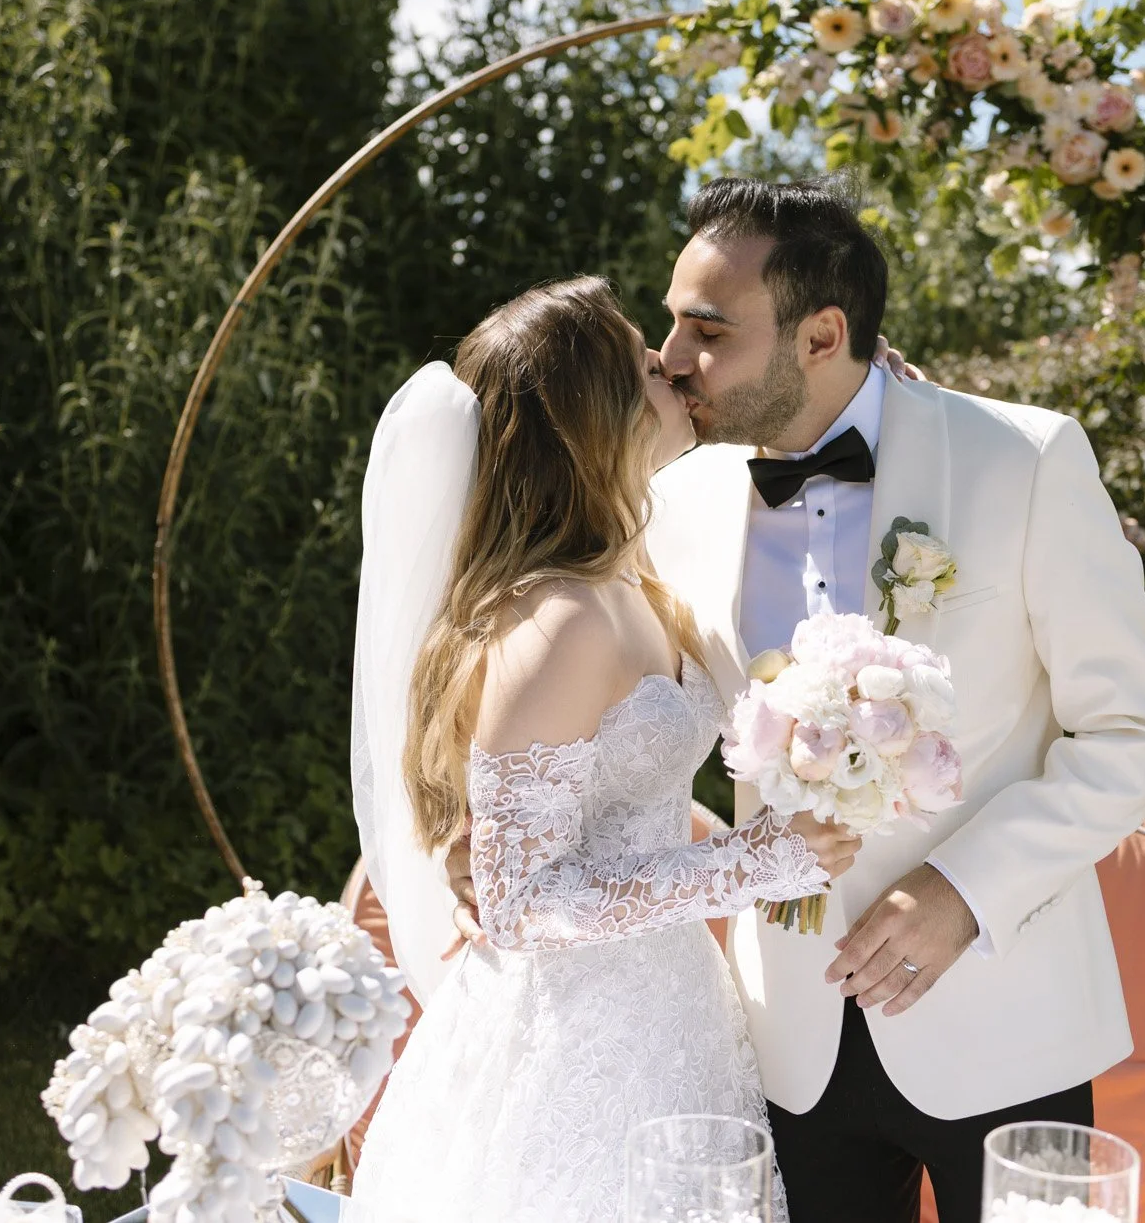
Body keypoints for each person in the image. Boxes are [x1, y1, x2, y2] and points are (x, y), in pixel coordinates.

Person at [440, 177, 1145, 1223]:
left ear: (822, 334)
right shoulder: (669, 489)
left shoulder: (1020, 458)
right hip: (776, 1038)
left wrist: (962, 892)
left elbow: (1130, 732)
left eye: (707, 329)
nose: (669, 358)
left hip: (1003, 1019)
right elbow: (553, 676)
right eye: (668, 323)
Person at [347, 275, 860, 1223]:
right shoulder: (557, 623)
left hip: (672, 1011)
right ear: (591, 411)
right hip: (571, 1047)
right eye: (639, 359)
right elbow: (517, 901)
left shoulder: (636, 571)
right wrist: (747, 865)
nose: (670, 362)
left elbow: (614, 803)